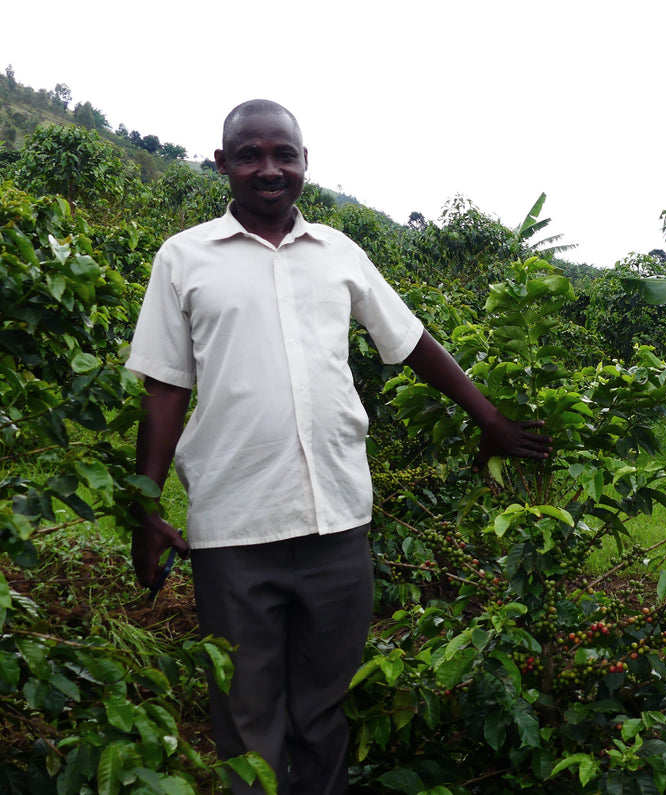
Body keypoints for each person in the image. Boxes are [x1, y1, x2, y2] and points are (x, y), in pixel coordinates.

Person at [126, 99, 552, 795]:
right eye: (250, 155)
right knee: (246, 712)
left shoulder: (339, 253)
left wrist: (489, 419)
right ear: (222, 163)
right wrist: (144, 509)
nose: (269, 169)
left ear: (305, 163)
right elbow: (165, 387)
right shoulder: (184, 258)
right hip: (234, 528)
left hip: (338, 525)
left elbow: (408, 339)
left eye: (284, 155)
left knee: (325, 712)